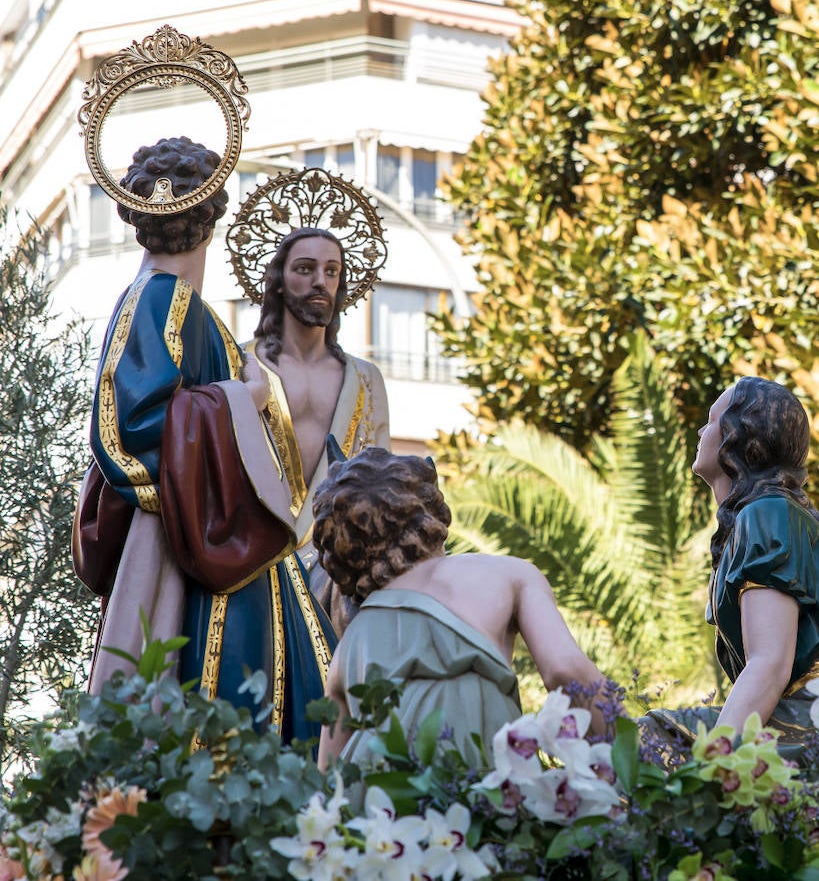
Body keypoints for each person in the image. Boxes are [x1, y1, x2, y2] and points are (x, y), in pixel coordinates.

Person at [76, 138, 336, 743]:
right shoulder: (161, 299)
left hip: (219, 531)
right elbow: (134, 426)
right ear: (210, 218)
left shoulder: (189, 307)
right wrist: (247, 399)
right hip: (197, 542)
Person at [313, 447, 608, 769]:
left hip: (380, 802)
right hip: (477, 782)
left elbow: (328, 776)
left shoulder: (349, 646)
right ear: (429, 508)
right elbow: (565, 670)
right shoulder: (508, 574)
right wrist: (631, 758)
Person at [646, 377, 819, 744]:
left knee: (651, 741)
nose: (701, 429)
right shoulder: (767, 514)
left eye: (713, 420)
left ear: (740, 437)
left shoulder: (767, 513)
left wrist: (713, 763)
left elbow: (769, 664)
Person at [244, 226, 390, 636]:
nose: (319, 282)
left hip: (336, 570)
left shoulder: (365, 379)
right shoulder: (242, 365)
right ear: (278, 281)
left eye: (331, 271)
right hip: (256, 562)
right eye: (305, 269)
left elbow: (380, 478)